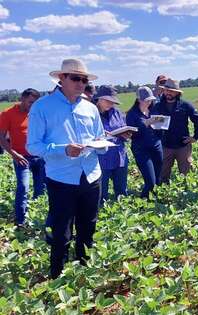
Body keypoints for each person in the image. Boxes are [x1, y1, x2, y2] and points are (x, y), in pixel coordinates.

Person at [27, 59, 106, 279]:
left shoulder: (90, 108)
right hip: (61, 179)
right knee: (61, 232)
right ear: (61, 79)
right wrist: (64, 150)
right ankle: (57, 277)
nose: (81, 83)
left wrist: (103, 143)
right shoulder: (42, 107)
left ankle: (83, 270)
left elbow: (98, 137)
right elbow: (33, 146)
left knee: (88, 227)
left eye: (84, 79)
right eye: (76, 78)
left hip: (91, 175)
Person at [0, 88, 45, 227]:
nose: (33, 106)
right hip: (21, 157)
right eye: (31, 102)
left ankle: (37, 218)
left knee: (41, 188)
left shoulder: (37, 113)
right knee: (23, 187)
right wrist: (14, 154)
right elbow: (1, 136)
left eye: (35, 103)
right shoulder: (8, 114)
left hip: (40, 156)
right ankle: (20, 221)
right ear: (22, 98)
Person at [153, 79, 198, 183]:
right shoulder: (158, 107)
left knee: (186, 175)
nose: (168, 93)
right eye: (166, 90)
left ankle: (185, 196)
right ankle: (164, 197)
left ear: (177, 92)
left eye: (171, 91)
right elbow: (153, 125)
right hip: (165, 145)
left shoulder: (185, 105)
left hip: (183, 145)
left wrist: (195, 137)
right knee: (163, 175)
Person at [94, 85, 130, 202]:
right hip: (101, 158)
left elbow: (123, 128)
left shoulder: (117, 113)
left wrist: (126, 135)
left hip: (119, 156)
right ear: (99, 99)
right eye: (108, 101)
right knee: (101, 193)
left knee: (121, 191)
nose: (111, 104)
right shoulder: (91, 114)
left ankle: (122, 213)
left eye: (113, 101)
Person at [126, 86, 162, 199]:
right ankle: (142, 204)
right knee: (150, 181)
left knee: (158, 179)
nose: (149, 102)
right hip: (141, 150)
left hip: (156, 147)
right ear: (138, 100)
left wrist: (161, 125)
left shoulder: (153, 110)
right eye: (146, 100)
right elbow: (133, 133)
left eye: (150, 100)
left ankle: (156, 201)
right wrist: (146, 123)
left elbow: (159, 128)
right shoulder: (132, 114)